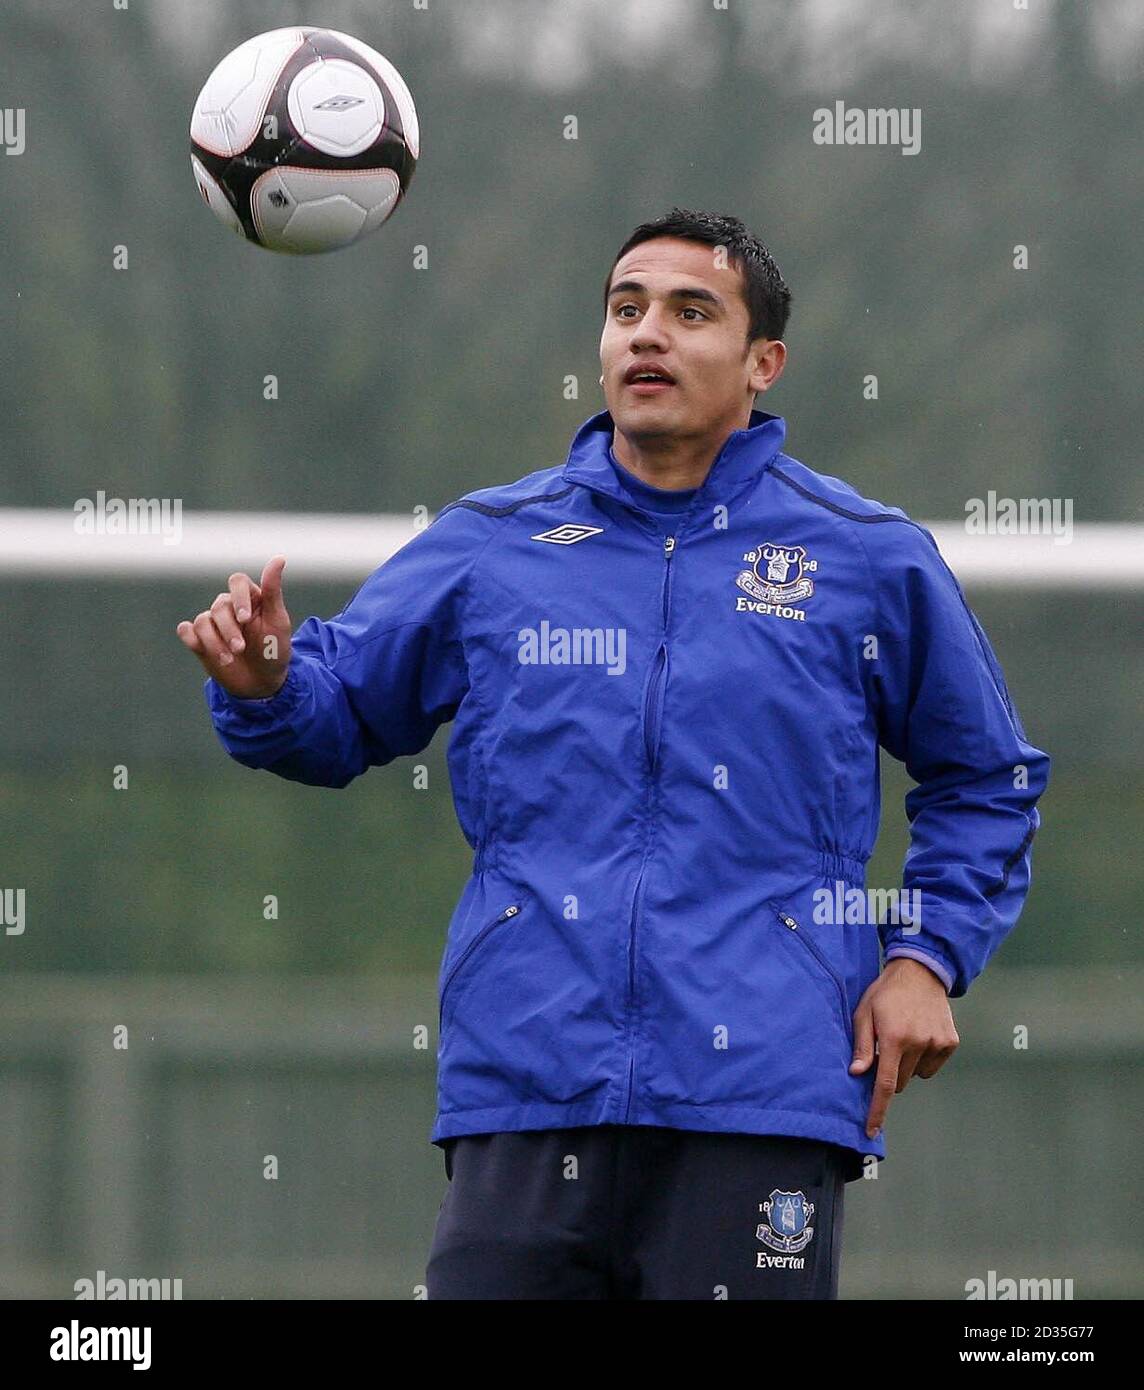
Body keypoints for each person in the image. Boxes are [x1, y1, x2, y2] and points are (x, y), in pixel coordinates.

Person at [176, 207, 1050, 1300]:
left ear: (762, 363)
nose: (648, 334)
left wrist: (925, 957)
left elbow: (988, 776)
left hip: (761, 1095)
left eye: (692, 312)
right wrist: (264, 684)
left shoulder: (865, 557)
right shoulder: (493, 545)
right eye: (625, 308)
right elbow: (337, 709)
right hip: (528, 1082)